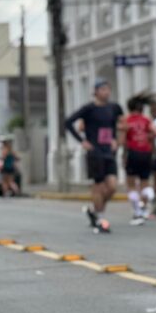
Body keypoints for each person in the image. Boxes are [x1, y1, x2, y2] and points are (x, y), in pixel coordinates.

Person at [65, 80, 124, 233]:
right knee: (98, 186)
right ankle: (100, 218)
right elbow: (68, 123)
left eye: (108, 89)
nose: (106, 92)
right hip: (95, 152)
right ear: (96, 92)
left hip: (108, 152)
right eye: (103, 89)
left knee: (112, 187)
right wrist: (82, 141)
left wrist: (115, 140)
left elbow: (116, 126)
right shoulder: (88, 109)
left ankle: (94, 211)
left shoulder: (114, 108)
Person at [120, 92, 156, 225]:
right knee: (145, 182)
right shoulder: (146, 120)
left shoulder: (127, 120)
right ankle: (148, 198)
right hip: (146, 153)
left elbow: (123, 140)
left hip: (133, 152)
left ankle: (137, 211)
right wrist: (147, 138)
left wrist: (124, 155)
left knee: (131, 185)